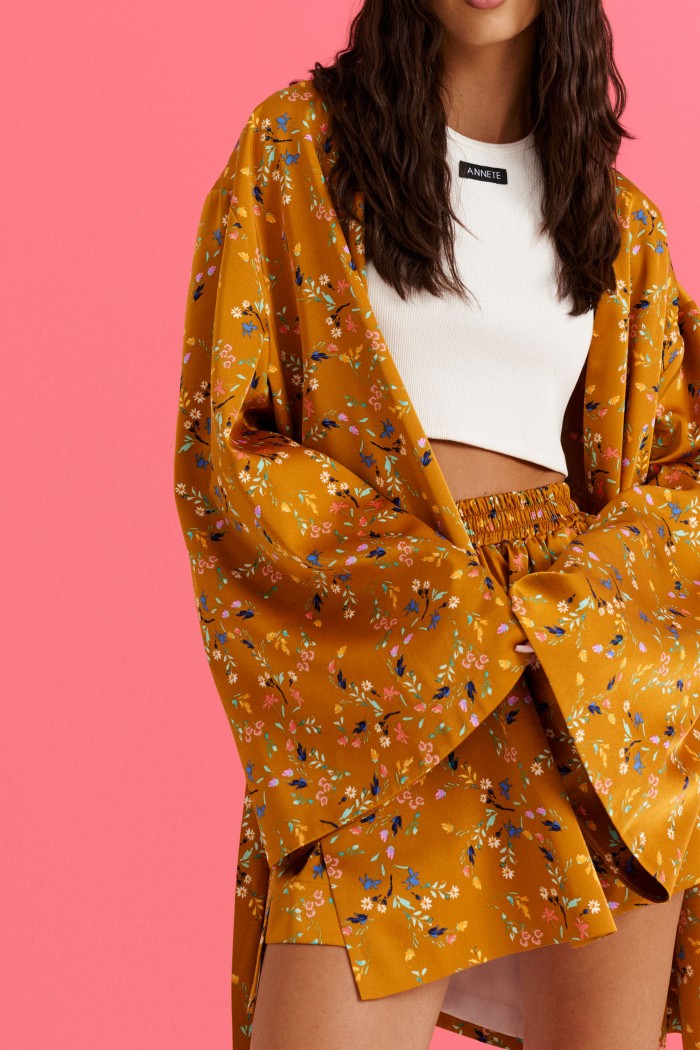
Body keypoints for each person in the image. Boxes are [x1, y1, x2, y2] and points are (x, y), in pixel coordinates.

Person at [173, 1, 700, 1048]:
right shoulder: (297, 152)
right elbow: (228, 438)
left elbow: (678, 466)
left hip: (586, 683)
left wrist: (582, 608)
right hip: (393, 668)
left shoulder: (617, 220)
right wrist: (440, 602)